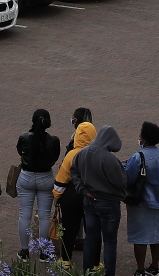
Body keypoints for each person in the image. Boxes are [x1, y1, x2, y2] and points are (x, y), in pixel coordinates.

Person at [70, 125, 127, 276]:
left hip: (89, 202)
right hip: (109, 204)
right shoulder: (109, 159)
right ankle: (110, 274)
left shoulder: (82, 153)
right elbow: (121, 182)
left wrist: (83, 190)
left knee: (91, 238)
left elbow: (74, 172)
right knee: (109, 242)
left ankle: (87, 271)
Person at [126, 122, 159, 276]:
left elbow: (128, 179)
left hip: (141, 203)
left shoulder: (138, 157)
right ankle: (155, 267)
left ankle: (140, 270)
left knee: (140, 237)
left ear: (144, 139)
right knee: (157, 235)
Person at [15, 109, 62, 261]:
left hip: (26, 176)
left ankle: (24, 251)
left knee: (24, 215)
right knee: (44, 216)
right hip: (45, 178)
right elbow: (54, 157)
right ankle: (43, 252)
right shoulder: (54, 140)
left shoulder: (24, 137)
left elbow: (19, 152)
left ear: (33, 121)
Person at [54, 122, 97, 265]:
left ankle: (66, 260)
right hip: (91, 195)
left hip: (71, 196)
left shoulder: (71, 155)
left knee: (69, 228)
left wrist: (56, 196)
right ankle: (94, 263)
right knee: (92, 230)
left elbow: (62, 179)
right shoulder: (97, 154)